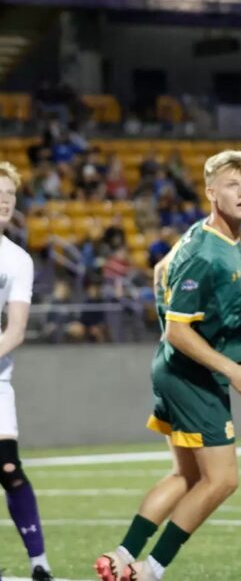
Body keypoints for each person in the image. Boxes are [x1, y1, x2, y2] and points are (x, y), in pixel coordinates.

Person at [95, 151, 241, 581]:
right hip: (192, 375)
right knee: (223, 480)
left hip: (178, 370)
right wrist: (232, 369)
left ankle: (120, 557)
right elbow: (177, 331)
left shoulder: (214, 236)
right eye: (231, 184)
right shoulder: (206, 253)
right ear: (211, 192)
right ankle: (149, 569)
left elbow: (160, 270)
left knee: (187, 476)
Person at [0, 162, 53, 581]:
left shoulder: (17, 260)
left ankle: (39, 563)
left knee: (8, 468)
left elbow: (16, 330)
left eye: (10, 196)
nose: (4, 201)